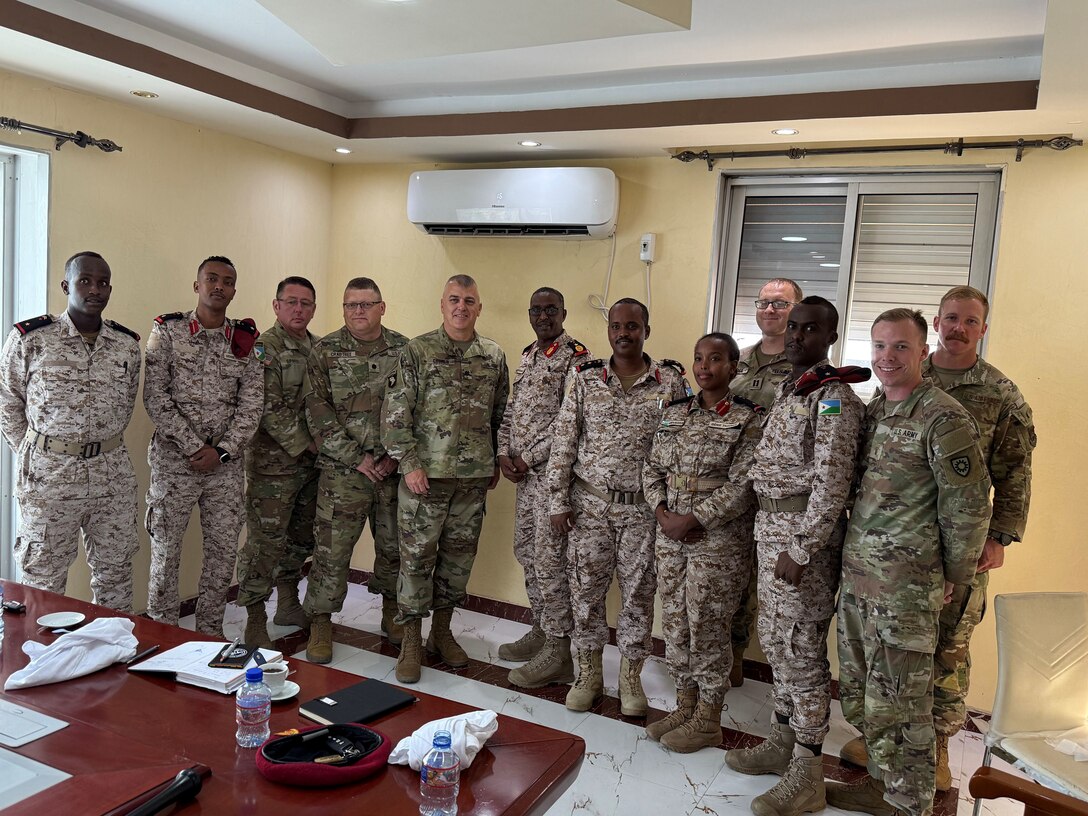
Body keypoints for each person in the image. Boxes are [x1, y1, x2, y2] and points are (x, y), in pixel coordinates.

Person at [839, 287, 1036, 792]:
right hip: (882, 570)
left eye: (970, 321)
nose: (959, 328)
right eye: (951, 318)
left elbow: (1004, 477)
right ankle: (888, 759)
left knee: (941, 658)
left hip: (937, 561)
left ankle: (927, 762)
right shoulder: (886, 399)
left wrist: (987, 546)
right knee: (887, 675)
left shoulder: (985, 397)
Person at [827, 309, 991, 816]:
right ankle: (881, 784)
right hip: (859, 582)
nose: (887, 357)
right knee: (862, 695)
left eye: (900, 347)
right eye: (878, 346)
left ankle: (908, 804)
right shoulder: (874, 411)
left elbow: (969, 506)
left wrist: (955, 577)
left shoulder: (942, 417)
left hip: (907, 589)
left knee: (903, 705)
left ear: (924, 352)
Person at [724, 297, 867, 816]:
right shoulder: (792, 389)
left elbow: (832, 482)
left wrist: (803, 548)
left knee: (801, 650)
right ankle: (782, 739)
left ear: (830, 337)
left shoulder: (833, 399)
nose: (797, 337)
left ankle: (808, 770)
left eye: (810, 330)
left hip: (800, 542)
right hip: (771, 528)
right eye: (793, 328)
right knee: (779, 645)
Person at [547, 298, 689, 715]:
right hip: (589, 507)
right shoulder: (585, 378)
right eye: (616, 326)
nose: (623, 333)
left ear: (646, 328)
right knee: (585, 593)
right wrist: (557, 500)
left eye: (632, 325)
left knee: (638, 598)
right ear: (608, 330)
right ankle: (588, 675)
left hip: (644, 514)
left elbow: (680, 448)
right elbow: (564, 441)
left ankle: (630, 678)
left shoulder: (670, 382)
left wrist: (670, 507)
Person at [381, 274, 509, 683]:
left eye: (469, 300)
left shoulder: (493, 355)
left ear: (478, 307)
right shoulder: (417, 351)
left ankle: (441, 631)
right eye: (454, 299)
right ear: (442, 304)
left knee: (457, 561)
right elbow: (396, 414)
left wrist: (493, 461)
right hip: (425, 479)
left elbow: (501, 415)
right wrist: (410, 463)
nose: (461, 307)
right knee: (417, 561)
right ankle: (412, 641)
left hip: (471, 482)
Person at [0, 251, 141, 610]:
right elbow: (8, 402)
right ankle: (40, 658)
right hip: (50, 479)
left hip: (112, 476)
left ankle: (114, 654)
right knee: (43, 579)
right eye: (85, 280)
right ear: (66, 285)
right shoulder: (31, 338)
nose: (95, 289)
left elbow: (126, 403)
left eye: (103, 282)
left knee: (116, 573)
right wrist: (37, 453)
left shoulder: (126, 344)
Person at [642, 332, 762, 752]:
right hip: (670, 533)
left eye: (715, 358)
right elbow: (652, 468)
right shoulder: (674, 413)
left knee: (708, 623)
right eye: (698, 358)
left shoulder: (749, 417)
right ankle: (685, 703)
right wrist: (662, 513)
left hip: (718, 541)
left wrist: (695, 518)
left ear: (733, 367)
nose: (704, 366)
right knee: (674, 620)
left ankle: (709, 716)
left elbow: (744, 483)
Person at [144, 256, 263, 635]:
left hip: (225, 468)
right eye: (211, 279)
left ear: (234, 290)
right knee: (165, 552)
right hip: (174, 463)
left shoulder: (244, 341)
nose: (219, 287)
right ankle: (161, 631)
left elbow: (252, 404)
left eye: (228, 281)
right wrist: (195, 445)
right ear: (197, 285)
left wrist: (222, 450)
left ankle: (210, 631)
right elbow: (155, 396)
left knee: (222, 553)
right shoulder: (167, 332)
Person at [303, 277, 408, 663]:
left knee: (395, 545)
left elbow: (416, 407)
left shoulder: (404, 350)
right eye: (351, 305)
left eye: (366, 304)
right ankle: (321, 622)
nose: (358, 311)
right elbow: (317, 412)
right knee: (331, 550)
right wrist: (356, 458)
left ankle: (392, 615)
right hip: (344, 473)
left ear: (383, 307)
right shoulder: (325, 351)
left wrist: (394, 457)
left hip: (392, 470)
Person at [497, 287, 590, 688]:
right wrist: (503, 452)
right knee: (528, 554)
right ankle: (540, 627)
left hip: (553, 480)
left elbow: (570, 421)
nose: (542, 316)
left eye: (550, 309)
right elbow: (513, 411)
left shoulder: (577, 359)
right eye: (536, 309)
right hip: (523, 479)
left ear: (564, 313)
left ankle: (559, 648)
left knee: (552, 562)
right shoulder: (529, 355)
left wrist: (527, 457)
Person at [235, 276, 320, 648]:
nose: (299, 309)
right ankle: (255, 617)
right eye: (291, 302)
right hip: (274, 466)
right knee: (264, 543)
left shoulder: (319, 348)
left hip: (311, 466)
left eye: (306, 303)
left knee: (301, 538)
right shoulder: (263, 348)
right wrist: (308, 444)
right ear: (276, 306)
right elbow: (265, 406)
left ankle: (288, 603)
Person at [728, 277, 802, 686]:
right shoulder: (735, 360)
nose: (770, 310)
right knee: (730, 576)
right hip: (730, 491)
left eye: (781, 303)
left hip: (776, 497)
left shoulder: (804, 369)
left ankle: (786, 686)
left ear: (797, 311)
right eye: (763, 303)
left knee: (771, 586)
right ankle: (730, 656)